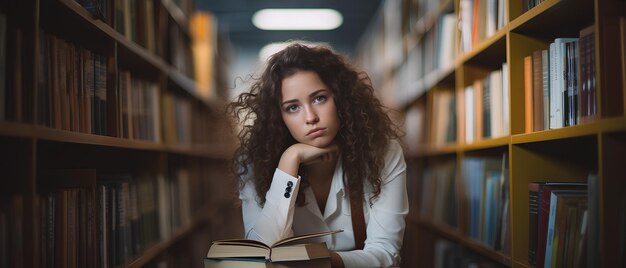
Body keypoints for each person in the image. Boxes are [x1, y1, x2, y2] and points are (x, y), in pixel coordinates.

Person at [228, 42, 408, 268]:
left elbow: (386, 254)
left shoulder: (383, 153)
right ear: (278, 117)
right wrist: (289, 161)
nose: (310, 117)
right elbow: (259, 256)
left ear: (340, 98)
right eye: (293, 107)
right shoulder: (255, 163)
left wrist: (322, 261)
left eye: (319, 98)